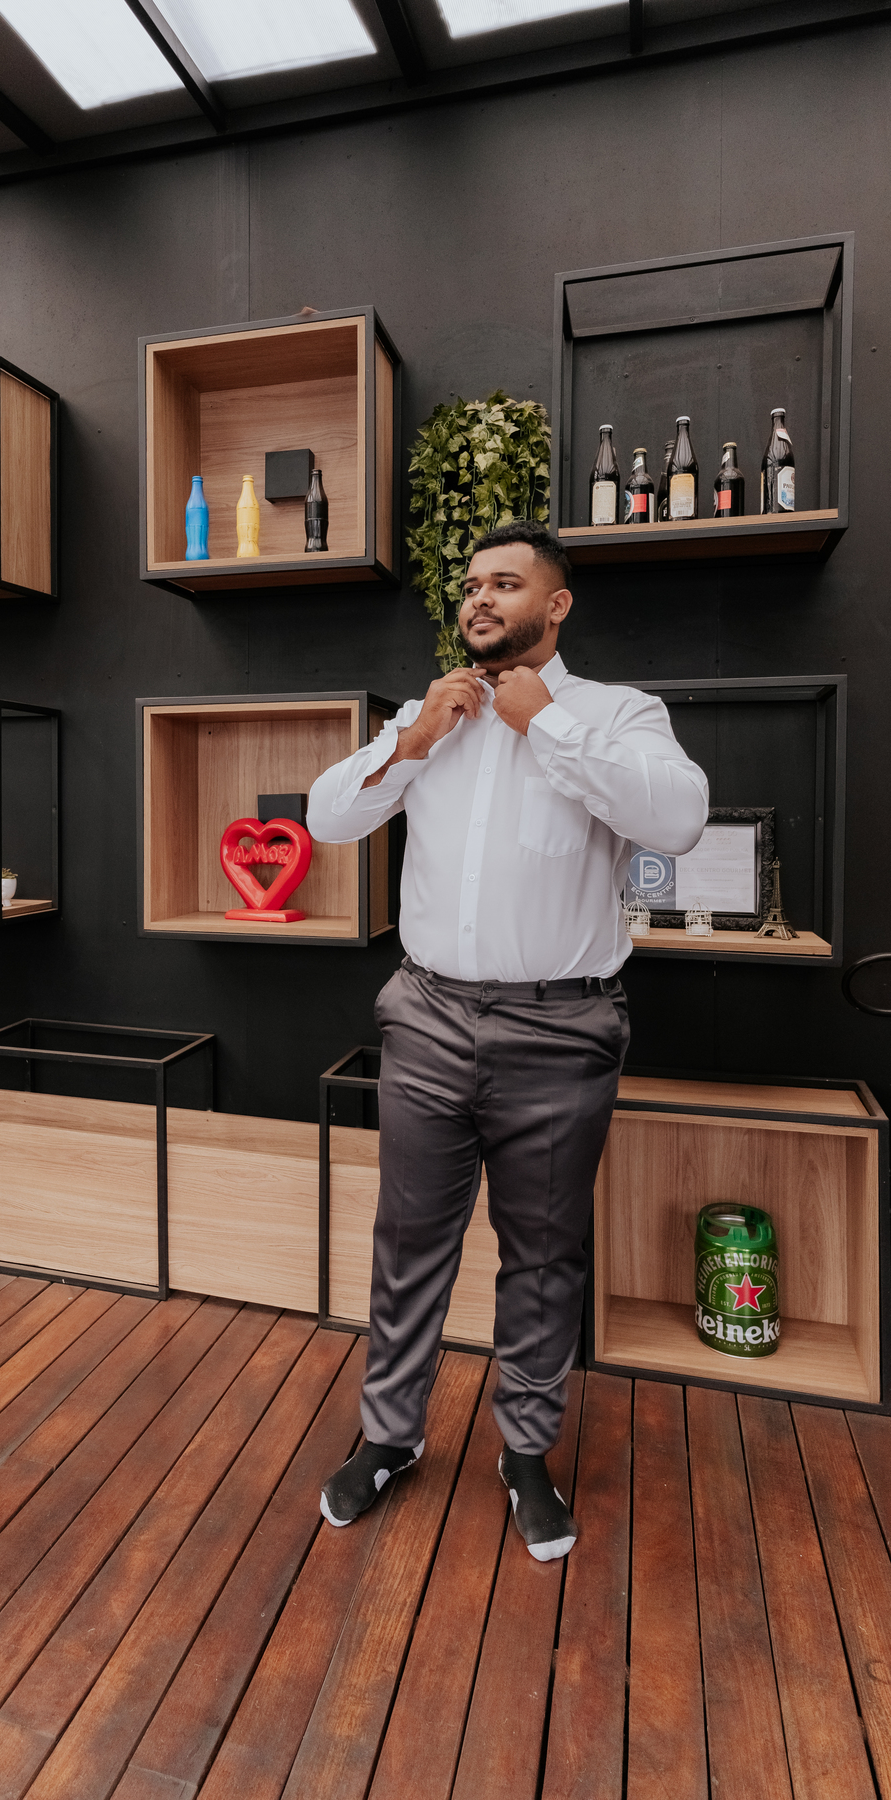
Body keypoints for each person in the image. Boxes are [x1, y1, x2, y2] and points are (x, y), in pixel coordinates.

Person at [306, 521, 708, 1560]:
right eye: (473, 583)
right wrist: (407, 742)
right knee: (408, 1245)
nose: (480, 597)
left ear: (556, 605)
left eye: (505, 583)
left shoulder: (614, 713)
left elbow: (679, 819)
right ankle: (390, 1437)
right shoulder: (429, 714)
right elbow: (327, 820)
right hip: (428, 1015)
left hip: (562, 1029)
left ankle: (526, 1453)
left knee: (543, 1255)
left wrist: (548, 725)